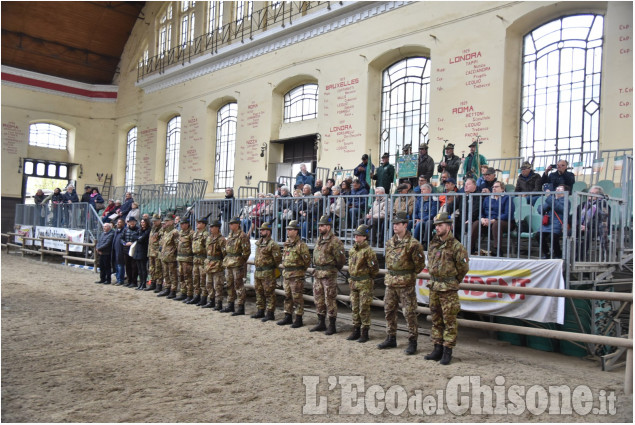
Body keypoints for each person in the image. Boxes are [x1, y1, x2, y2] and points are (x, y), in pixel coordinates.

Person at [424, 212, 469, 365]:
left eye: (440, 225)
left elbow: (463, 268)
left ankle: (447, 350)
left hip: (448, 287)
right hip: (435, 285)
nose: (437, 228)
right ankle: (437, 347)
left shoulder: (457, 246)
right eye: (436, 225)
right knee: (436, 319)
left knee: (449, 319)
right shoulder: (434, 243)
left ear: (449, 227)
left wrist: (453, 281)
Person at [378, 211, 426, 355]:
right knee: (389, 311)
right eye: (394, 224)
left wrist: (407, 274)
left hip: (406, 283)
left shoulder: (413, 244)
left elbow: (419, 265)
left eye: (398, 224)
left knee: (409, 313)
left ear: (405, 225)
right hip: (391, 282)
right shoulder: (390, 242)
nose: (395, 226)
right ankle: (391, 337)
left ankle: (412, 341)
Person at [310, 215, 347, 334]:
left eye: (322, 226)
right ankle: (321, 322)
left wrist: (333, 269)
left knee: (330, 300)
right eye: (319, 226)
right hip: (318, 273)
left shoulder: (335, 241)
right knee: (318, 299)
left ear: (328, 226)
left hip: (329, 274)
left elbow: (341, 260)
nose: (320, 228)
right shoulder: (319, 240)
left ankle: (332, 325)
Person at [347, 224, 379, 343]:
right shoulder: (353, 250)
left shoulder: (368, 251)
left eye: (359, 235)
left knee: (363, 308)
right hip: (354, 282)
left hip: (364, 282)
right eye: (355, 235)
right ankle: (356, 329)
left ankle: (364, 331)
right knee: (354, 307)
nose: (356, 237)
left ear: (365, 237)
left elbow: (374, 269)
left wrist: (366, 277)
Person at [277, 220, 311, 327]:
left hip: (296, 275)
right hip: (287, 274)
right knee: (287, 296)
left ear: (296, 231)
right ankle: (288, 315)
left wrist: (299, 270)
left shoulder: (301, 245)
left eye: (290, 229)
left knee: (297, 297)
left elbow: (307, 261)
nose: (288, 231)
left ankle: (299, 318)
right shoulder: (287, 244)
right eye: (287, 229)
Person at [471, 181, 514, 256]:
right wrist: (482, 219)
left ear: (502, 189)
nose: (494, 189)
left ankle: (497, 249)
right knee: (476, 223)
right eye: (493, 187)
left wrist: (494, 220)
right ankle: (470, 248)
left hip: (504, 221)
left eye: (496, 187)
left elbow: (508, 214)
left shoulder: (507, 198)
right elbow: (481, 211)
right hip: (488, 221)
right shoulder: (487, 199)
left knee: (497, 224)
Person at [252, 222, 282, 321]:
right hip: (258, 272)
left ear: (268, 232)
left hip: (267, 272)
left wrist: (270, 266)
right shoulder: (259, 243)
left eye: (263, 230)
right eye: (260, 230)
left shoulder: (273, 245)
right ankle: (260, 310)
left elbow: (277, 259)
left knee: (269, 293)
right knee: (259, 292)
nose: (261, 232)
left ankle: (270, 313)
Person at [221, 216, 251, 315]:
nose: (230, 225)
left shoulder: (242, 236)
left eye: (232, 224)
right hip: (229, 262)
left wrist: (241, 261)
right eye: (230, 224)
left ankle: (240, 306)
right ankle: (230, 304)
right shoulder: (230, 235)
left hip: (237, 263)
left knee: (238, 285)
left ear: (237, 224)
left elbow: (246, 252)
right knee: (229, 284)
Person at [577, 185, 610, 261]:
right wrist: (579, 225)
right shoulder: (583, 205)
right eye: (589, 192)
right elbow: (576, 217)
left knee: (589, 234)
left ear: (598, 195)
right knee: (569, 232)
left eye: (592, 193)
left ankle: (580, 257)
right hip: (582, 227)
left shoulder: (603, 204)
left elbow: (600, 219)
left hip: (597, 228)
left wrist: (587, 226)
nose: (589, 194)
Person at [537, 184, 567, 259]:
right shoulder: (551, 199)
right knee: (538, 235)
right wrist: (550, 200)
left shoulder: (566, 201)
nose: (558, 189)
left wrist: (550, 198)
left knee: (552, 237)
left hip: (558, 224)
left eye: (561, 189)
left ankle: (558, 254)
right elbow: (541, 210)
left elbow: (559, 208)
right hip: (547, 224)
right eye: (557, 188)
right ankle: (546, 253)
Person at [203, 219, 227, 310]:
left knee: (218, 285)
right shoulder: (209, 238)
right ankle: (211, 301)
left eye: (213, 227)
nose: (211, 228)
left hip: (217, 265)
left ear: (217, 228)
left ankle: (218, 303)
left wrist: (221, 263)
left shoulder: (221, 239)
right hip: (209, 264)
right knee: (208, 284)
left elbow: (224, 253)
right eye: (210, 227)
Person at [157, 214, 180, 298]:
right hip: (164, 256)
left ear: (172, 222)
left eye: (167, 221)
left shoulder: (175, 232)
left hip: (171, 257)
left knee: (172, 274)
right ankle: (167, 288)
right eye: (165, 221)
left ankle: (173, 290)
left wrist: (176, 255)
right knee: (165, 273)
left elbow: (178, 245)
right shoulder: (165, 232)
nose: (165, 223)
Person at [173, 217, 195, 302]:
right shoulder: (180, 233)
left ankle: (189, 294)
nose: (181, 225)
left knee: (188, 277)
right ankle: (183, 293)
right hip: (180, 258)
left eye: (183, 224)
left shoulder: (191, 233)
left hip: (187, 258)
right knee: (181, 276)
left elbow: (193, 246)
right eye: (181, 224)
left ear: (187, 224)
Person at [190, 215, 210, 305]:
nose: (197, 224)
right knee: (195, 278)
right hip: (195, 258)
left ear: (204, 225)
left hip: (202, 258)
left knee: (203, 279)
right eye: (197, 223)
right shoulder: (195, 234)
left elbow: (208, 248)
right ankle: (196, 296)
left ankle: (204, 297)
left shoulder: (206, 235)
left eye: (199, 223)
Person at [413, 184, 438, 248]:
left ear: (429, 191)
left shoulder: (434, 200)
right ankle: (404, 242)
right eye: (421, 190)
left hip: (427, 220)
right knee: (407, 222)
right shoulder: (419, 200)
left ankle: (415, 243)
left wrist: (423, 219)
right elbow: (415, 211)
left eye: (423, 190)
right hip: (418, 219)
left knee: (421, 223)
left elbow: (433, 213)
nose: (421, 191)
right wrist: (416, 218)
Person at [146, 214, 163, 292]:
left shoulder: (161, 229)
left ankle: (159, 285)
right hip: (151, 252)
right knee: (151, 269)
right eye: (153, 221)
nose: (154, 222)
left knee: (158, 269)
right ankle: (152, 283)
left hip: (157, 253)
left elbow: (161, 241)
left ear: (159, 220)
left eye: (155, 221)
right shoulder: (153, 228)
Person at [122, 217, 140, 288]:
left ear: (135, 222)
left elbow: (139, 238)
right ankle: (129, 281)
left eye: (133, 221)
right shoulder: (125, 230)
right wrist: (125, 243)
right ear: (128, 222)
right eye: (130, 221)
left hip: (134, 250)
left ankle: (134, 281)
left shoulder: (138, 230)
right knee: (128, 266)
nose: (132, 223)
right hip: (126, 249)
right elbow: (121, 238)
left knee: (134, 267)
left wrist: (132, 243)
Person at [133, 218, 151, 290]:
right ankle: (140, 283)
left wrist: (138, 238)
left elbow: (142, 238)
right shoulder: (139, 230)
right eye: (141, 222)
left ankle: (144, 283)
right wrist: (138, 238)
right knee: (139, 269)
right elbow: (133, 236)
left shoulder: (148, 230)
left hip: (143, 251)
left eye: (143, 222)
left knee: (143, 268)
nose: (142, 223)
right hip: (137, 250)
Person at [112, 218, 126, 285]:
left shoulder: (124, 231)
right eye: (118, 222)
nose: (118, 223)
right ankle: (118, 279)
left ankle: (121, 280)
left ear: (123, 223)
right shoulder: (116, 231)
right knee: (117, 266)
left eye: (120, 222)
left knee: (120, 266)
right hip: (115, 250)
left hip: (121, 251)